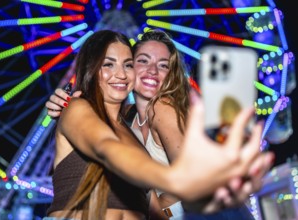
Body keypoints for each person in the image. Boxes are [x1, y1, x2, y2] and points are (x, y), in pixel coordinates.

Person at [45, 30, 275, 220]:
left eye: (163, 65)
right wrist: (65, 104)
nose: (121, 74)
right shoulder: (117, 117)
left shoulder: (156, 112)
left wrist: (183, 192)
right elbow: (106, 146)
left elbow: (159, 196)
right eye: (141, 61)